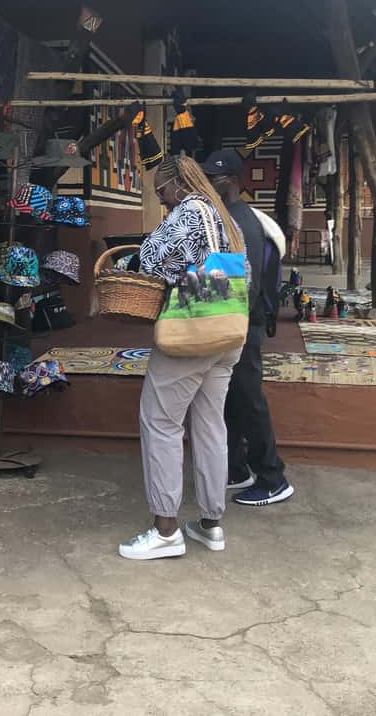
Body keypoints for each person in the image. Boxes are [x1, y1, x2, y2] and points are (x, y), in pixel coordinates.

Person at [119, 154, 246, 561]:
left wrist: (128, 261)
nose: (161, 200)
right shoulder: (225, 216)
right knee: (210, 426)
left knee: (160, 423)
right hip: (228, 329)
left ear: (177, 185)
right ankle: (211, 524)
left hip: (193, 333)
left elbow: (150, 261)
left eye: (160, 191)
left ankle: (166, 531)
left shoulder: (189, 211)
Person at [202, 149, 294, 506]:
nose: (208, 183)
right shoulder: (227, 217)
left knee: (250, 400)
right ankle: (236, 469)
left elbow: (248, 283)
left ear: (231, 181)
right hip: (233, 320)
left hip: (243, 322)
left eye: (213, 178)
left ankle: (273, 478)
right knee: (232, 398)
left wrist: (222, 317)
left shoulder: (241, 221)